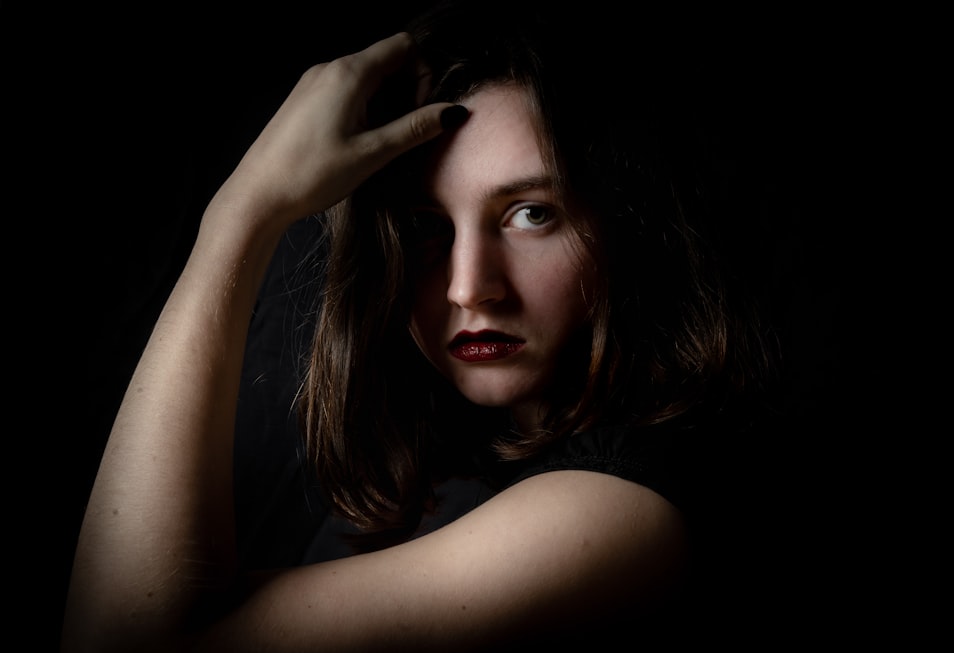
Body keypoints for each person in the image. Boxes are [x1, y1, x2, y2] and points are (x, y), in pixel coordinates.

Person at [62, 0, 778, 649]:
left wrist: (240, 216)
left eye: (531, 213)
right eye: (425, 226)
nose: (472, 287)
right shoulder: (445, 447)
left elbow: (124, 637)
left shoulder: (621, 517)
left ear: (623, 224)